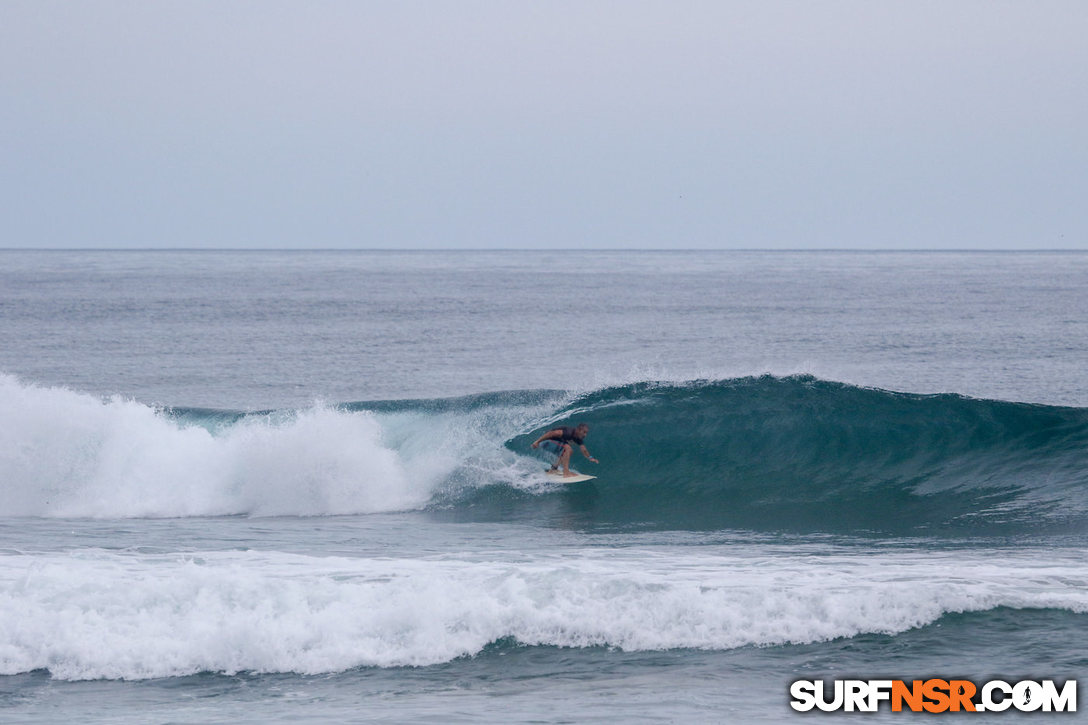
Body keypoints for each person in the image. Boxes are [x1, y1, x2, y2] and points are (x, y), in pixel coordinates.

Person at [531, 422, 598, 477]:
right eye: (584, 432)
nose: (585, 435)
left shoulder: (578, 438)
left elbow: (584, 450)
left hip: (553, 443)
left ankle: (554, 469)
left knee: (569, 451)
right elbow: (551, 433)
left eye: (586, 433)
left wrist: (590, 457)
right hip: (546, 441)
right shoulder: (568, 432)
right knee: (567, 448)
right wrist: (537, 442)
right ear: (578, 430)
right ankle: (566, 473)